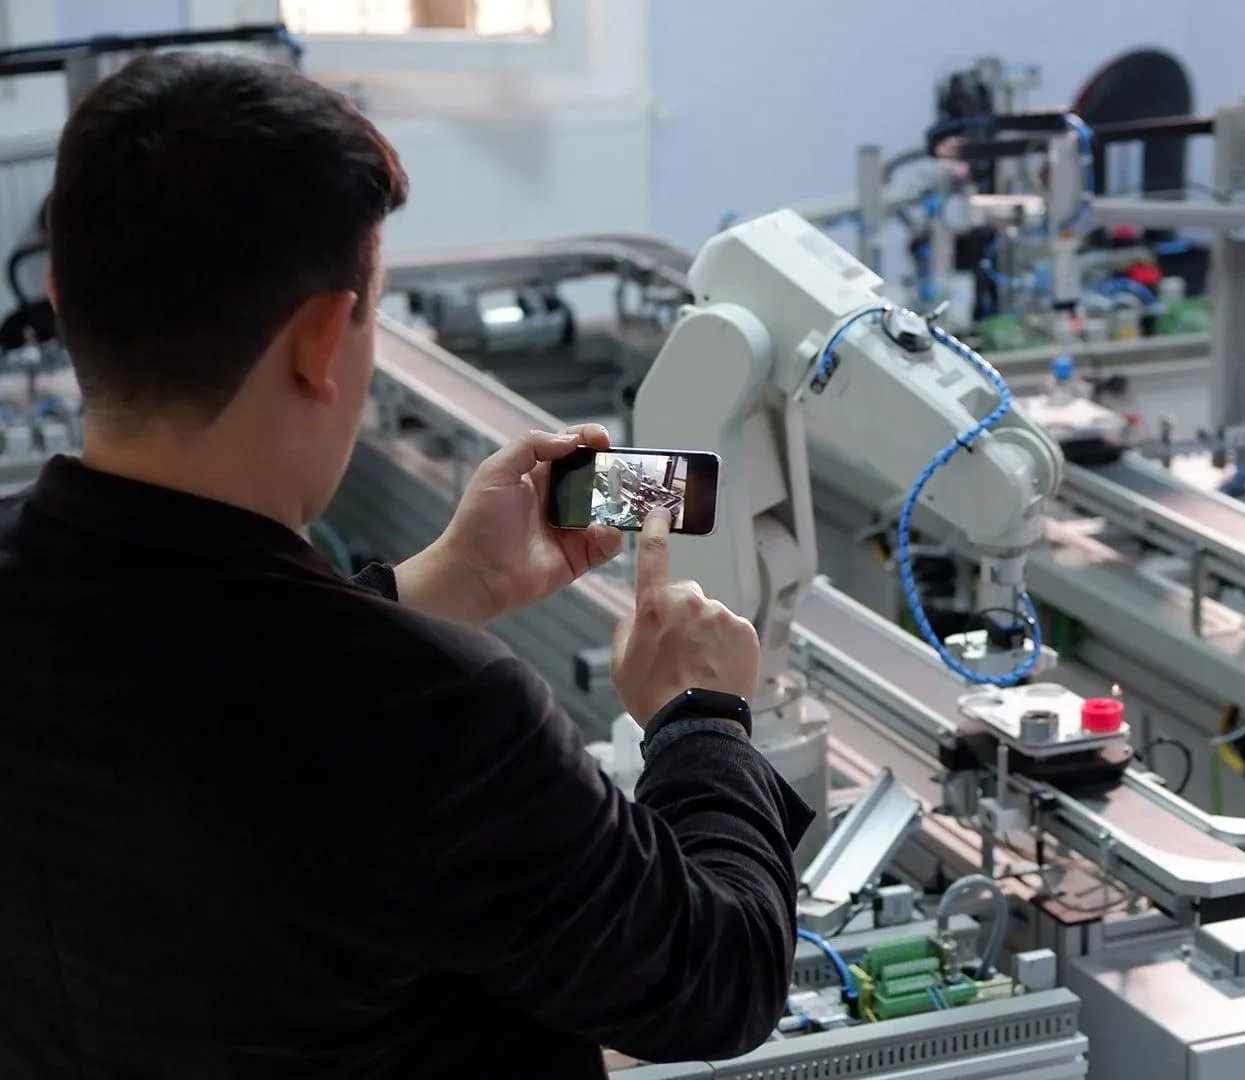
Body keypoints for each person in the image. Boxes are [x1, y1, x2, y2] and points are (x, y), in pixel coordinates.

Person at [0, 51, 814, 1079]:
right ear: (326, 341)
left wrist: (437, 595)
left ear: (65, 296)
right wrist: (701, 720)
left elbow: (223, 675)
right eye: (373, 311)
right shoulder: (438, 720)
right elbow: (721, 979)